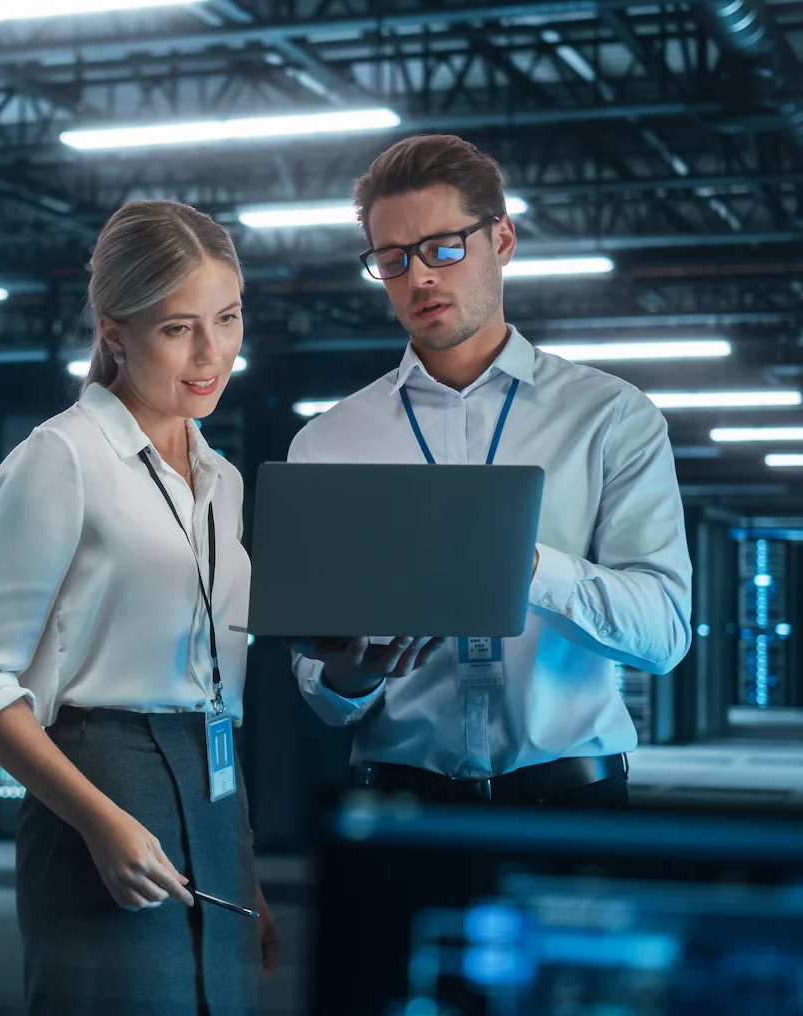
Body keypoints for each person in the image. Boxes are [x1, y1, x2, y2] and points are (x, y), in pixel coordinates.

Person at [0, 199, 279, 1015]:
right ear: (115, 329)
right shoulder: (61, 459)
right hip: (99, 784)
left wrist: (248, 872)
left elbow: (215, 693)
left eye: (227, 319)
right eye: (178, 328)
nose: (212, 354)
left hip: (214, 789)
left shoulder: (222, 481)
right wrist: (101, 822)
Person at [287, 134, 692, 806]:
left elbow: (665, 637)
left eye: (444, 249)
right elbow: (325, 700)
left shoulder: (611, 417)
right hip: (400, 807)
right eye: (391, 260)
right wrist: (348, 676)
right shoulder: (328, 442)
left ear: (501, 238)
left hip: (572, 805)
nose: (419, 277)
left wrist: (527, 567)